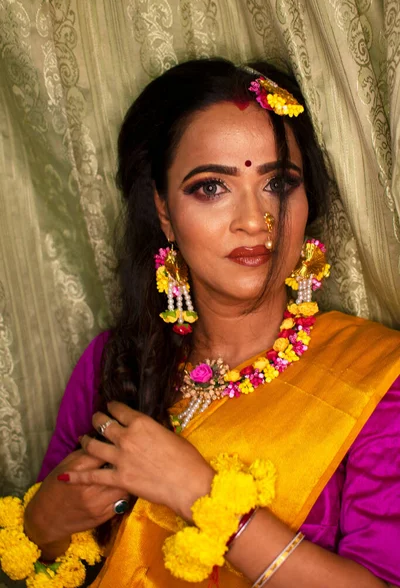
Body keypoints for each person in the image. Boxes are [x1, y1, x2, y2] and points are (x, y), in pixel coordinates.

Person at [4, 59, 400, 588]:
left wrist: (195, 490)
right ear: (164, 210)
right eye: (212, 187)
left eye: (278, 183)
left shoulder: (375, 379)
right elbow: (62, 562)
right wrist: (44, 521)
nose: (254, 221)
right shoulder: (115, 361)